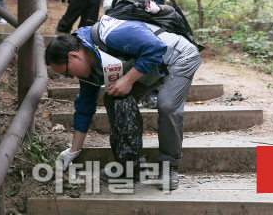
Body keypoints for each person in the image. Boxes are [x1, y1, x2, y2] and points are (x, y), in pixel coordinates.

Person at [45, 15, 201, 190]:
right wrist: (73, 150)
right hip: (151, 69)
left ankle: (169, 167)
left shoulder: (110, 34)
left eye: (67, 73)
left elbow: (156, 48)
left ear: (73, 55)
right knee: (113, 97)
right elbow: (84, 108)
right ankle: (131, 166)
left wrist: (128, 80)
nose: (71, 78)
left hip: (178, 57)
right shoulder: (90, 71)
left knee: (166, 105)